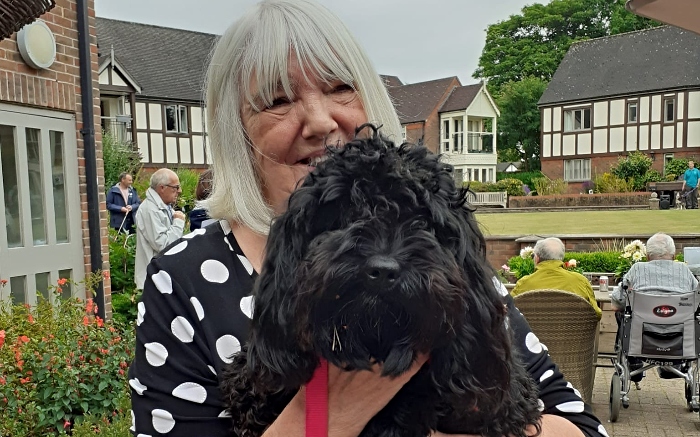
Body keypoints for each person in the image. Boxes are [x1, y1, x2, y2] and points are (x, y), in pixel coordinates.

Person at [128, 2, 607, 436]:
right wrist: (328, 412)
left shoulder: (439, 248)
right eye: (277, 100)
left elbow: (582, 429)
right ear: (237, 130)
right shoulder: (184, 280)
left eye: (339, 87)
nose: (318, 121)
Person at [610, 233, 698, 382]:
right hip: (678, 338)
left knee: (621, 313)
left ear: (647, 256)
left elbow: (618, 301)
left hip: (641, 338)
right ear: (673, 254)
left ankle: (634, 363)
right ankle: (675, 365)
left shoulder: (637, 269)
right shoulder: (685, 271)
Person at [511, 237, 602, 319]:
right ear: (561, 258)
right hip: (573, 336)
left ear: (537, 259)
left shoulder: (524, 283)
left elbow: (508, 312)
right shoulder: (580, 281)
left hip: (533, 336)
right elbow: (596, 314)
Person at [133, 168, 185, 290]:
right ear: (162, 188)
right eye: (176, 187)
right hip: (155, 281)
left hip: (161, 278)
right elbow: (163, 244)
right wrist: (178, 222)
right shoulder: (150, 209)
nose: (179, 191)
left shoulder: (161, 205)